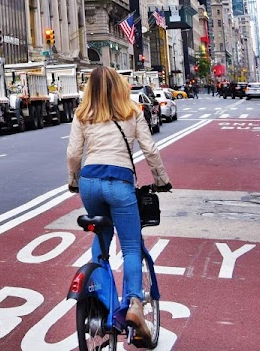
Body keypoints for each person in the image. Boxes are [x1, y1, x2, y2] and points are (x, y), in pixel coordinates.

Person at [67, 66, 171, 343]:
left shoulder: (82, 114)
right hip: (120, 182)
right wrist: (162, 180)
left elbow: (74, 154)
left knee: (100, 241)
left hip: (89, 182)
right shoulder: (133, 111)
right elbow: (150, 149)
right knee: (131, 247)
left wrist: (73, 180)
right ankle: (135, 303)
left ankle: (102, 300)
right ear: (120, 86)